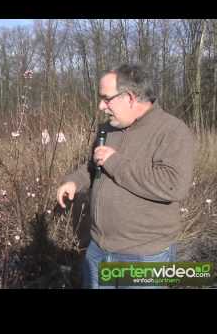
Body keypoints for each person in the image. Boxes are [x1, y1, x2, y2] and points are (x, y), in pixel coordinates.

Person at [56, 63, 195, 289]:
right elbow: (94, 166)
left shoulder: (172, 131)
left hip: (144, 256)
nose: (101, 106)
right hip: (99, 248)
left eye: (106, 98)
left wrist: (114, 161)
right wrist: (74, 180)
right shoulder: (108, 129)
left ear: (130, 97)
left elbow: (173, 185)